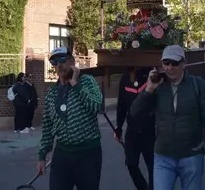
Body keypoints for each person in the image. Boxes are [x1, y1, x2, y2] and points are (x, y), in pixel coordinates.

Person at [132, 45, 205, 190]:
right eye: (166, 63)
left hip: (191, 154)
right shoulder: (158, 86)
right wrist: (148, 90)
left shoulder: (197, 85)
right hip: (163, 155)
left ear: (183, 64)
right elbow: (135, 112)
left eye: (174, 63)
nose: (169, 68)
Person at [37, 47, 103, 190]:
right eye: (54, 62)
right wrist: (42, 155)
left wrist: (75, 84)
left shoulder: (87, 82)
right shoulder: (52, 93)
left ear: (72, 62)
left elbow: (97, 106)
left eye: (63, 60)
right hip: (62, 154)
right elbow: (47, 126)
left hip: (88, 153)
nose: (59, 65)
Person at [115, 67, 155, 190]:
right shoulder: (125, 78)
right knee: (131, 164)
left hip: (151, 130)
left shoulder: (152, 75)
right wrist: (119, 127)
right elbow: (121, 104)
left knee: (153, 167)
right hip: (132, 130)